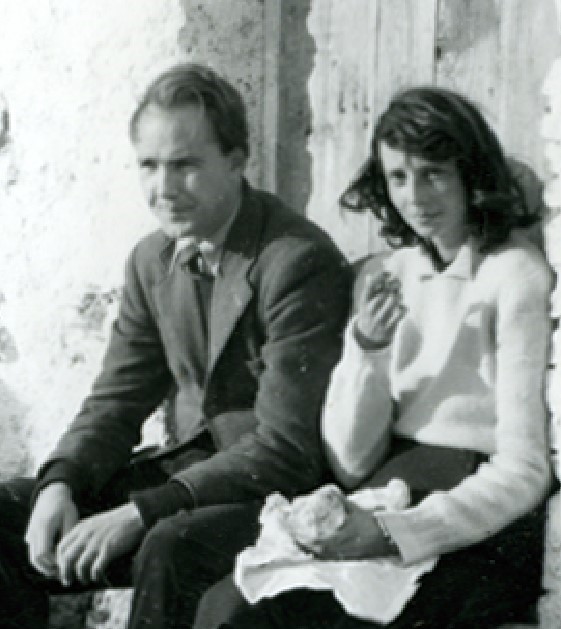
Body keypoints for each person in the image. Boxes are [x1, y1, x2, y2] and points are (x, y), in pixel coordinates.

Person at [0, 62, 352, 629]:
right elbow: (117, 399)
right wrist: (60, 479)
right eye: (149, 165)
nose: (163, 189)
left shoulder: (296, 261)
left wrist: (141, 511)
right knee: (6, 514)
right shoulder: (152, 260)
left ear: (236, 161)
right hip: (192, 477)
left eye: (185, 165)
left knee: (170, 545)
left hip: (277, 494)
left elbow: (286, 450)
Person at [193, 86, 554, 629]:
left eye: (433, 174)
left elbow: (525, 469)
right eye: (398, 177)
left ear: (470, 174)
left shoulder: (514, 274)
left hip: (480, 519)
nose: (415, 197)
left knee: (276, 616)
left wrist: (394, 532)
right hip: (392, 488)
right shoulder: (391, 273)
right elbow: (351, 463)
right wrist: (366, 351)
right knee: (228, 604)